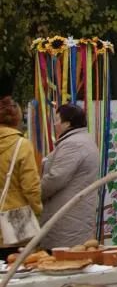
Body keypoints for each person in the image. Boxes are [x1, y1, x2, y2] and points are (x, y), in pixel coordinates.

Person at [40, 104, 100, 250]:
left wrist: (32, 193)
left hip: (67, 220)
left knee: (64, 262)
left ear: (68, 123)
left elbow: (56, 178)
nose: (54, 124)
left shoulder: (73, 144)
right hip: (74, 215)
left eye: (57, 120)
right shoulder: (83, 140)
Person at [0, 97, 41, 256]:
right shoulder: (22, 145)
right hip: (17, 223)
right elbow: (31, 187)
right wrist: (38, 209)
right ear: (17, 118)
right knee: (19, 269)